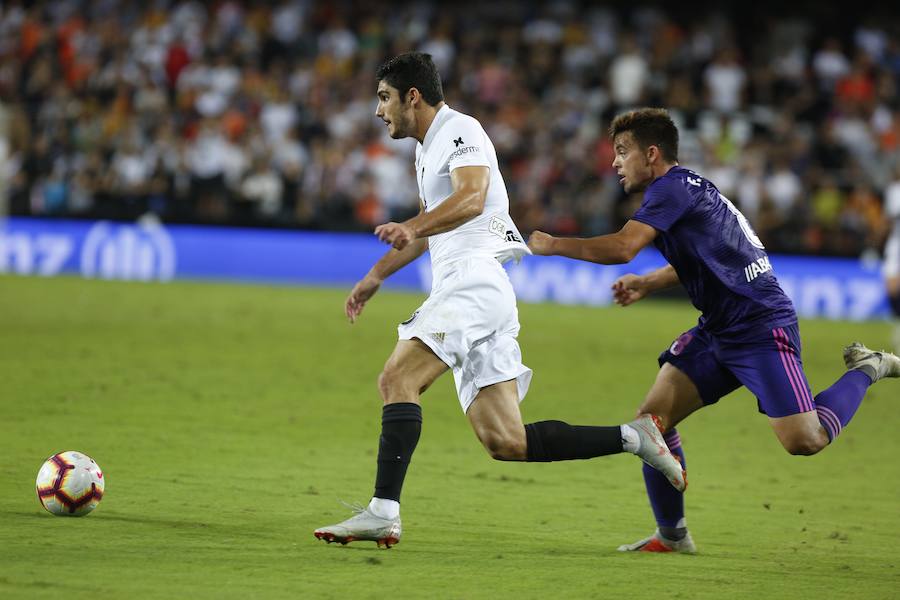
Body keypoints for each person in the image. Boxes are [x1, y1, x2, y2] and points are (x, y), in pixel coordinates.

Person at [313, 55, 685, 548]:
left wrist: (411, 226)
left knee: (397, 378)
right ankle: (634, 437)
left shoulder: (459, 129)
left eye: (384, 97)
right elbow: (434, 221)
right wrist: (376, 275)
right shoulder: (427, 149)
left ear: (412, 97)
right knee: (506, 442)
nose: (378, 111)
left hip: (473, 282)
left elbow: (470, 198)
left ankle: (383, 511)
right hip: (482, 292)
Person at [528, 107, 900, 553]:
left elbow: (624, 247)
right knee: (652, 424)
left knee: (805, 440)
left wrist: (553, 245)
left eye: (623, 152)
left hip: (761, 324)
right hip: (719, 328)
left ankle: (869, 367)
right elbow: (717, 256)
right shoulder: (689, 187)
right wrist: (649, 282)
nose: (615, 163)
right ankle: (673, 534)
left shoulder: (668, 190)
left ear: (652, 153)